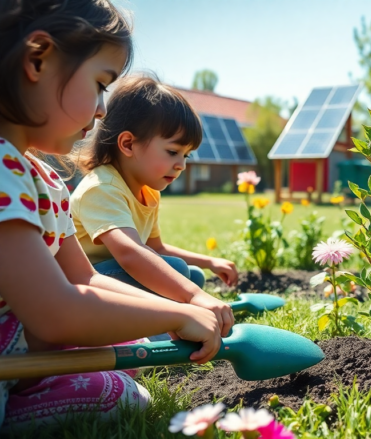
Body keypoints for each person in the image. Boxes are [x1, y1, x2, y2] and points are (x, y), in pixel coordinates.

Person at [0, 0, 221, 429]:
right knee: (122, 395)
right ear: (37, 60)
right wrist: (176, 313)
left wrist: (184, 306)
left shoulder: (42, 177)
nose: (103, 108)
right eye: (100, 83)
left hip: (24, 340)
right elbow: (54, 312)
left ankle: (28, 390)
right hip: (26, 334)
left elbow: (84, 279)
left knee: (133, 353)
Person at [70, 75, 237, 338]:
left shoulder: (147, 191)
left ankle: (171, 322)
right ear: (127, 144)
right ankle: (161, 332)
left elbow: (156, 248)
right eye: (172, 152)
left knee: (192, 274)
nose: (182, 164)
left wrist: (209, 262)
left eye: (186, 155)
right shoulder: (101, 188)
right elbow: (131, 254)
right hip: (84, 290)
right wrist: (194, 296)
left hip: (118, 281)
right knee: (181, 275)